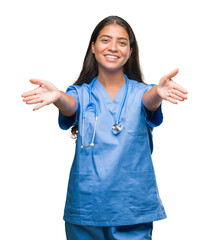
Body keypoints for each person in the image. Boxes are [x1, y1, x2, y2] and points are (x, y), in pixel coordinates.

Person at [22, 16, 188, 240]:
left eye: (122, 42)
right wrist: (57, 97)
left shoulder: (142, 92)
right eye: (105, 40)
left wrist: (158, 93)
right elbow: (70, 105)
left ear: (130, 51)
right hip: (86, 208)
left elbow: (149, 100)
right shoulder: (80, 93)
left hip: (132, 210)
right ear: (93, 47)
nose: (113, 47)